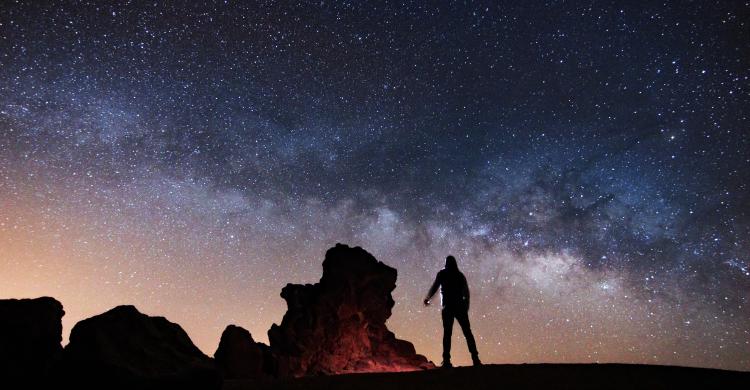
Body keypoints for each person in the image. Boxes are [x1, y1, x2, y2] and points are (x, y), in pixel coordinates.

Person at [424, 255, 481, 367]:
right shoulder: (459, 275)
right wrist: (466, 306)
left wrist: (428, 297)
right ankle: (475, 359)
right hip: (459, 306)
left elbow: (435, 286)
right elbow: (466, 293)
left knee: (448, 333)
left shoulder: (442, 274)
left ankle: (446, 360)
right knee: (467, 332)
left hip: (448, 307)